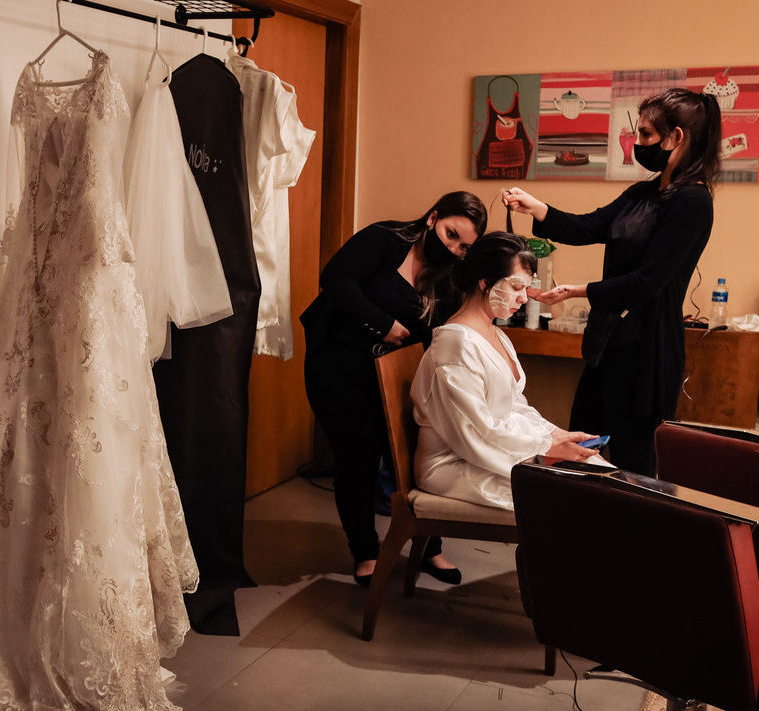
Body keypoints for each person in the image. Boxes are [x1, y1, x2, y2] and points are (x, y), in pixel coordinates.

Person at [504, 88, 722, 475]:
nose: (637, 143)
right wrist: (538, 208)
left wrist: (576, 291)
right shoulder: (642, 193)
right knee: (585, 445)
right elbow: (590, 225)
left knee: (630, 463)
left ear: (677, 137)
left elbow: (648, 282)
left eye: (646, 135)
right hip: (610, 340)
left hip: (648, 350)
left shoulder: (693, 201)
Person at [302, 192, 488, 587]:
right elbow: (335, 278)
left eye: (464, 246)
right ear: (432, 217)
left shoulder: (449, 276)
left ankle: (428, 548)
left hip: (393, 376)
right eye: (450, 234)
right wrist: (380, 322)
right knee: (358, 460)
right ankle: (365, 552)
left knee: (413, 460)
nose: (453, 248)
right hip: (339, 366)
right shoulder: (385, 239)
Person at [411, 232, 601, 511]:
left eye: (526, 288)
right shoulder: (456, 345)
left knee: (595, 471)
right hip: (455, 462)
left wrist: (555, 434)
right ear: (485, 282)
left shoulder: (496, 333)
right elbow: (476, 431)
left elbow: (513, 407)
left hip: (492, 446)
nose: (524, 298)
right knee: (577, 498)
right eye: (516, 287)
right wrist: (544, 447)